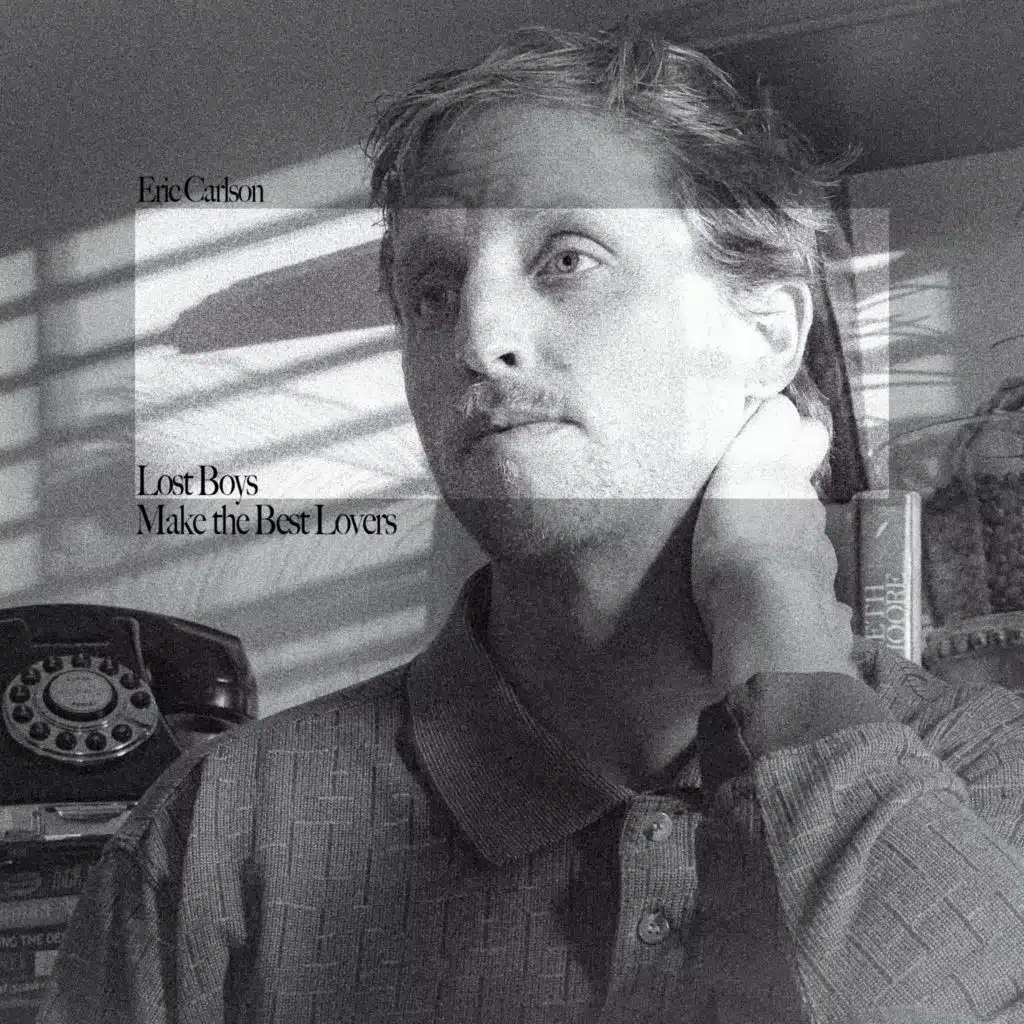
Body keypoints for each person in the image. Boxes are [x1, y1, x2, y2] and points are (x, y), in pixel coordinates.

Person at [39, 25, 1024, 1024]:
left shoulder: (993, 780)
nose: (478, 337)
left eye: (567, 260)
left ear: (766, 334)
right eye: (434, 290)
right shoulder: (217, 833)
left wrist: (770, 593)